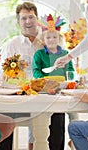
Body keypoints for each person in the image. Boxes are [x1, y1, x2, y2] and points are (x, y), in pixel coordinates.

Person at [0, 2, 43, 150]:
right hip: (18, 99)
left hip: (43, 98)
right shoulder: (12, 45)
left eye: (31, 17)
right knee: (2, 113)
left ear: (37, 19)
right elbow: (4, 76)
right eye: (24, 18)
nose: (28, 22)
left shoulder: (47, 43)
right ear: (18, 22)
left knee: (57, 115)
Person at [32, 14, 75, 150]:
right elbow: (36, 71)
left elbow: (71, 71)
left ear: (59, 38)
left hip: (60, 92)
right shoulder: (39, 54)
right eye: (48, 37)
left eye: (54, 37)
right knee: (43, 123)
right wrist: (45, 80)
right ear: (43, 39)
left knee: (58, 121)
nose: (51, 40)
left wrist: (68, 78)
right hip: (44, 92)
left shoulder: (65, 54)